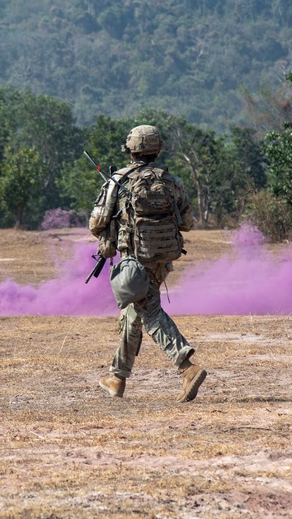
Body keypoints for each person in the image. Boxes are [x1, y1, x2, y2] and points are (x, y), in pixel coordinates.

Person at [88, 124, 207, 402]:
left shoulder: (119, 180)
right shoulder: (171, 181)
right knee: (134, 312)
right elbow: (188, 222)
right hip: (163, 258)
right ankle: (117, 377)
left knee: (148, 311)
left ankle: (186, 366)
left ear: (130, 150)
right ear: (157, 150)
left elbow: (97, 222)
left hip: (133, 260)